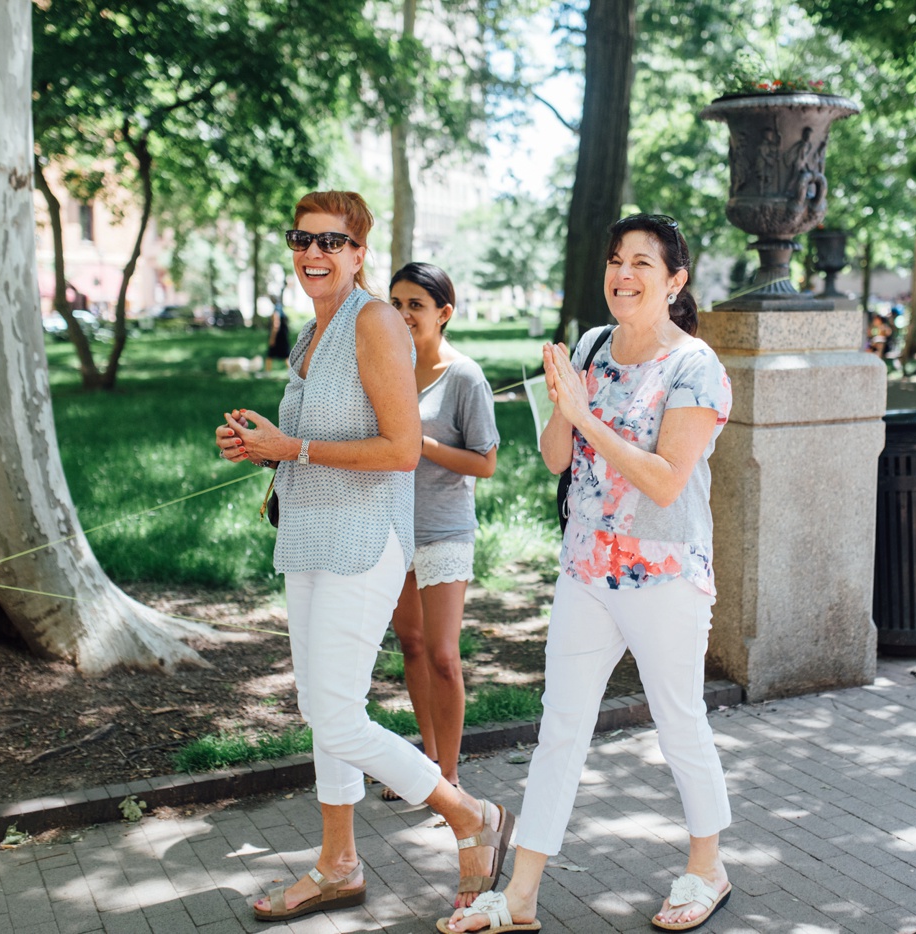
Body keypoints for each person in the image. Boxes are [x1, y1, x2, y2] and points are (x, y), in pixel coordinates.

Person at [215, 191, 513, 923]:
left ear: (357, 253)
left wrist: (294, 448)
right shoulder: (309, 337)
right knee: (322, 710)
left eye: (330, 242)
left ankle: (469, 814)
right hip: (309, 536)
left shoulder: (376, 321)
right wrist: (263, 451)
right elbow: (313, 444)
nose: (313, 253)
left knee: (341, 717)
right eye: (302, 239)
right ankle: (338, 865)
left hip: (364, 540)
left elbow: (403, 451)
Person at [441, 213, 734, 934]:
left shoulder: (695, 367)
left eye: (642, 262)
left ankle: (708, 868)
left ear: (675, 280)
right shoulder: (594, 346)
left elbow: (666, 482)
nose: (623, 274)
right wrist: (562, 403)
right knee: (560, 728)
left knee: (678, 721)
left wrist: (585, 412)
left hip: (663, 574)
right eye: (615, 260)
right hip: (585, 569)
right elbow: (554, 459)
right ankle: (521, 896)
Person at [381, 262, 499, 798]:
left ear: (443, 313)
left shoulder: (465, 376)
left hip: (445, 530)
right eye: (396, 304)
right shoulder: (386, 368)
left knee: (443, 655)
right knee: (410, 645)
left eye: (416, 306)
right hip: (392, 529)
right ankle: (426, 765)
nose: (403, 315)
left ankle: (449, 779)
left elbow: (486, 462)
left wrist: (421, 443)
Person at [264, 300, 290, 375]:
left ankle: (267, 372)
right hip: (283, 337)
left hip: (277, 337)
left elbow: (276, 325)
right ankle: (291, 373)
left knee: (270, 355)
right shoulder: (282, 313)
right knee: (285, 356)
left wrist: (272, 338)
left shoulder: (276, 312)